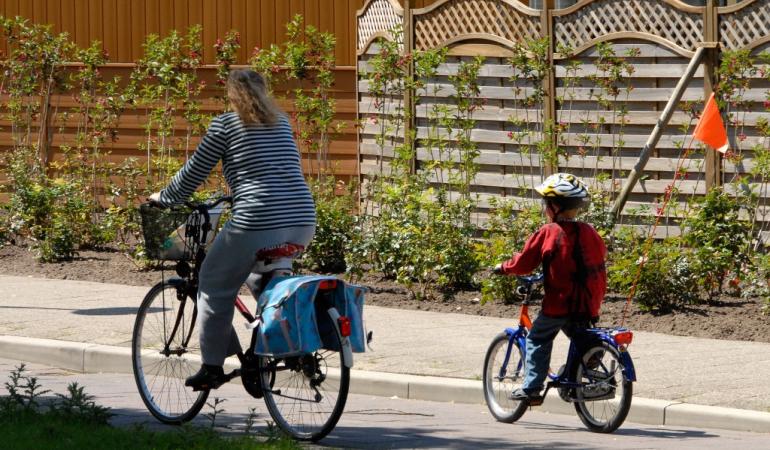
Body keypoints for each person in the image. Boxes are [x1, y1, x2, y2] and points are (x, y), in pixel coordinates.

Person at [149, 69, 316, 390]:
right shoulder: (281, 122)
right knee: (260, 277)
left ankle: (212, 367)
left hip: (257, 218)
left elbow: (193, 172)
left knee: (212, 282)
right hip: (301, 218)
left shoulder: (225, 125)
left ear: (232, 95)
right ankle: (271, 350)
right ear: (264, 92)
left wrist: (165, 198)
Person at [493, 173, 607, 402]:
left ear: (553, 206)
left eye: (546, 204)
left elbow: (524, 263)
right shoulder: (590, 231)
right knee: (585, 338)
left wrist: (504, 267)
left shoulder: (549, 232)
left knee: (538, 338)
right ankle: (578, 371)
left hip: (559, 304)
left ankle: (532, 388)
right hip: (588, 303)